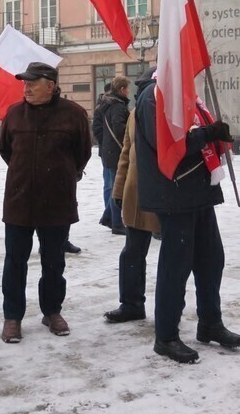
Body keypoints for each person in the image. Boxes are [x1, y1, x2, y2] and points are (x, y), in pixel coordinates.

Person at [134, 75, 240, 364]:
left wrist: (211, 134)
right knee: (176, 267)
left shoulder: (186, 96)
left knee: (211, 261)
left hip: (198, 191)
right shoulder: (152, 96)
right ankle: (166, 335)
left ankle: (210, 323)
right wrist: (206, 134)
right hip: (174, 194)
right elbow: (167, 144)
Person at [0, 62, 91, 343]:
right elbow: (6, 151)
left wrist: (58, 176)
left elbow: (82, 154)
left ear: (50, 85)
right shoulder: (14, 114)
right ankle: (12, 316)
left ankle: (52, 311)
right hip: (19, 200)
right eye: (24, 83)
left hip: (57, 201)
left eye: (32, 83)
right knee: (15, 261)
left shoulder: (74, 114)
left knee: (54, 262)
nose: (25, 87)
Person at [104, 67, 160, 323]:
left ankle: (170, 307)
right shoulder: (135, 114)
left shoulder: (173, 114)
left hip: (167, 196)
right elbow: (125, 154)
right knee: (132, 253)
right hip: (137, 194)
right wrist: (118, 190)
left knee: (174, 256)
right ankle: (131, 304)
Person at [92, 76, 130, 235]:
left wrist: (105, 143)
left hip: (108, 151)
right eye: (127, 88)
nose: (129, 92)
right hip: (115, 152)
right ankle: (116, 222)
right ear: (122, 89)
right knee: (117, 187)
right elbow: (120, 129)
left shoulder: (106, 104)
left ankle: (108, 217)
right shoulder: (118, 106)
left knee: (111, 185)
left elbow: (98, 127)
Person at [92, 82, 112, 228]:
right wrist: (106, 143)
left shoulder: (112, 105)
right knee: (109, 183)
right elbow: (97, 129)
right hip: (107, 150)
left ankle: (112, 212)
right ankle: (108, 212)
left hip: (110, 149)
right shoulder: (101, 108)